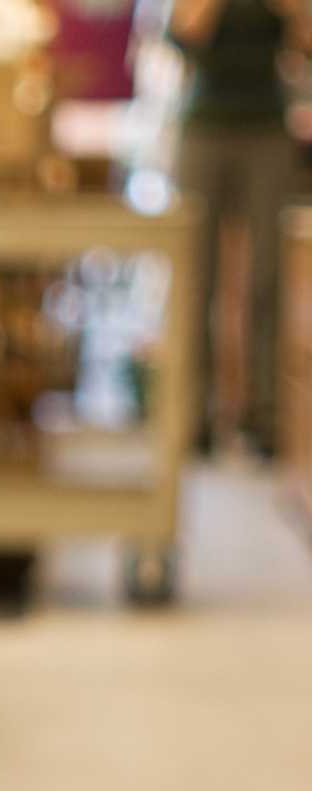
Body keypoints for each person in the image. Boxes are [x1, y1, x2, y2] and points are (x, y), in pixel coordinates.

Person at [168, 0, 305, 457]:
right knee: (195, 279)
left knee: (267, 276)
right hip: (205, 127)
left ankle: (264, 414)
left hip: (266, 128)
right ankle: (194, 414)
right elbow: (183, 37)